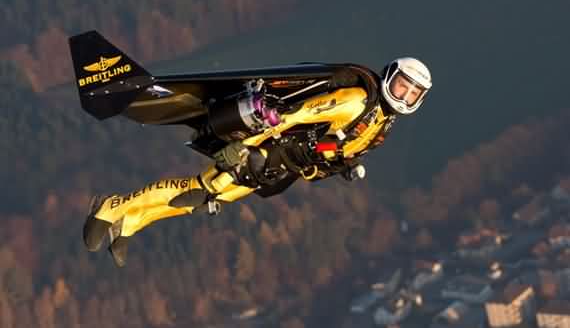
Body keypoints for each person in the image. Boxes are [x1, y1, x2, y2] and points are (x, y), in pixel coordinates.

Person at [83, 57, 432, 267]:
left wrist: (336, 168)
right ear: (390, 76)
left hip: (281, 166)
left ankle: (130, 222)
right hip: (264, 151)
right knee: (200, 190)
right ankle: (112, 207)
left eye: (413, 92)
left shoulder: (381, 123)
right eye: (403, 86)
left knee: (206, 202)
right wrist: (244, 145)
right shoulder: (356, 101)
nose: (404, 95)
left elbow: (335, 149)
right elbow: (291, 116)